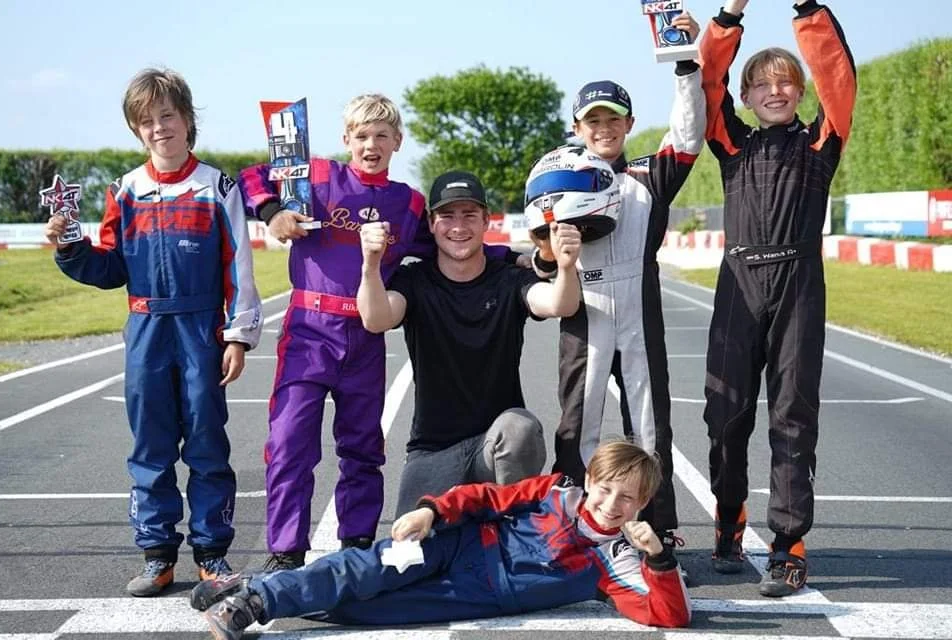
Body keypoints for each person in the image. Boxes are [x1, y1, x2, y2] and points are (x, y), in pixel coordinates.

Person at [237, 96, 518, 571]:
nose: (372, 145)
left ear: (397, 143)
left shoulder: (407, 203)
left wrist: (511, 257)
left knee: (363, 446)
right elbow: (249, 177)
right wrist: (270, 213)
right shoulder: (318, 175)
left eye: (382, 136)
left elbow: (448, 246)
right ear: (347, 139)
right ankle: (285, 551)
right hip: (308, 331)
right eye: (362, 136)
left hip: (365, 334)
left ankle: (357, 544)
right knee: (289, 441)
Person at [43, 67, 263, 596]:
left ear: (188, 121)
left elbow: (239, 267)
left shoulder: (217, 186)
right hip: (145, 331)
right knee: (151, 446)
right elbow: (110, 266)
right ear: (137, 131)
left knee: (207, 444)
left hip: (201, 329)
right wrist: (68, 246)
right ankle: (157, 554)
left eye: (168, 116)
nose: (159, 127)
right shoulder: (125, 190)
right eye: (147, 121)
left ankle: (212, 553)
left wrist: (237, 335)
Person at [189, 440, 691, 638]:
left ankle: (242, 583)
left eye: (627, 499)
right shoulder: (554, 491)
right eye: (605, 488)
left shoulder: (619, 561)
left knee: (357, 610)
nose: (610, 504)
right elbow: (484, 496)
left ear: (641, 506)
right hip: (456, 544)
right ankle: (253, 601)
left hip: (475, 595)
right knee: (364, 570)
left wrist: (659, 560)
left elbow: (671, 616)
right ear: (591, 480)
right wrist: (432, 512)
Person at [531, 11, 705, 575]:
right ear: (578, 127)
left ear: (628, 122)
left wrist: (684, 66)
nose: (603, 128)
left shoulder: (650, 174)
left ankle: (657, 530)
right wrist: (547, 253)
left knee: (650, 426)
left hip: (638, 303)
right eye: (592, 120)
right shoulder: (560, 176)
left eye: (613, 118)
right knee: (576, 423)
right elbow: (538, 246)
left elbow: (688, 134)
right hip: (583, 308)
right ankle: (569, 528)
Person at [698, 0, 856, 596]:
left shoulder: (822, 140)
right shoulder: (731, 141)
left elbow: (837, 71)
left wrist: (807, 8)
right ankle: (729, 517)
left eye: (785, 81)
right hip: (738, 284)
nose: (774, 89)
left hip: (798, 285)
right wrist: (729, 15)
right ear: (745, 96)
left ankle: (788, 546)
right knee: (724, 417)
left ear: (799, 91)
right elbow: (706, 78)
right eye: (761, 83)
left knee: (792, 417)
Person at [357, 170, 583, 516]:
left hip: (495, 448)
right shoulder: (415, 280)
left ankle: (512, 534)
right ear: (432, 224)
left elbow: (559, 304)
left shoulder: (509, 280)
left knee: (519, 428)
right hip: (432, 450)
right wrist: (370, 267)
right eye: (447, 216)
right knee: (411, 554)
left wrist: (566, 267)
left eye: (469, 215)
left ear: (486, 221)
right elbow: (376, 319)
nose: (458, 227)